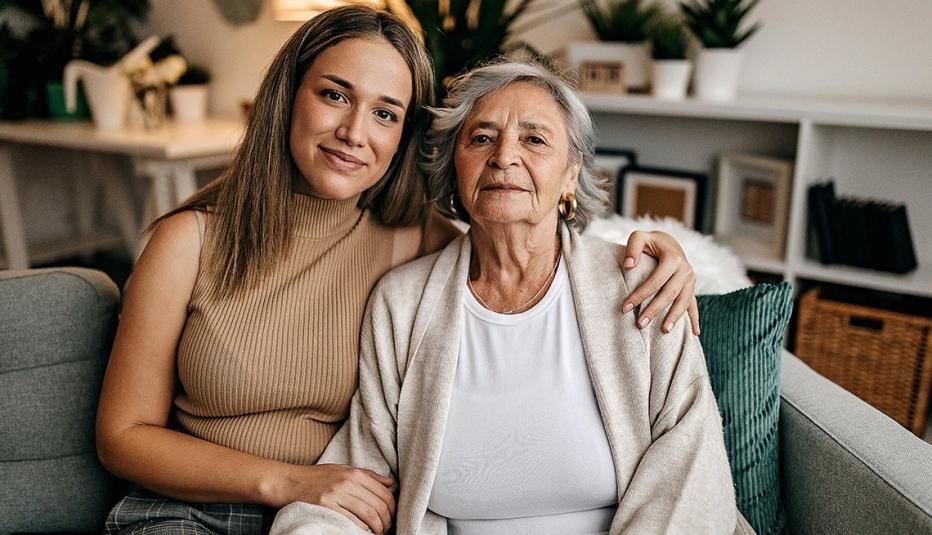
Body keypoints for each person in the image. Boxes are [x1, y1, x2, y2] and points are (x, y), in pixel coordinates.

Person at [97, 7, 703, 535]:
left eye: (386, 113)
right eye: (334, 95)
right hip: (196, 511)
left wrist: (668, 254)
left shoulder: (409, 245)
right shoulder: (189, 241)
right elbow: (122, 435)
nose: (354, 133)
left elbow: (518, 224)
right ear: (286, 97)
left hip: (333, 511)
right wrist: (287, 483)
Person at [270, 59, 754, 535]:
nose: (504, 156)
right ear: (453, 169)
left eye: (535, 139)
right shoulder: (403, 303)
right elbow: (363, 471)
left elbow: (688, 466)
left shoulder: (640, 283)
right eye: (481, 138)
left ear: (570, 175)